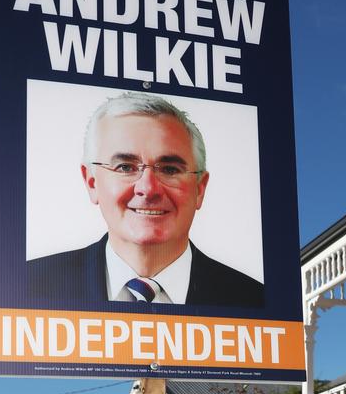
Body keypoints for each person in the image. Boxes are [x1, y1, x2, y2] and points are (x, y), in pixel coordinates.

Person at [28, 92, 264, 308]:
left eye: (170, 169)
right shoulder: (29, 287)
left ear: (200, 189)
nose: (148, 189)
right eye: (125, 167)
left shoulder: (254, 300)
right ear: (92, 182)